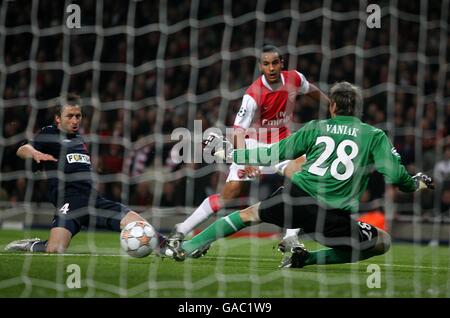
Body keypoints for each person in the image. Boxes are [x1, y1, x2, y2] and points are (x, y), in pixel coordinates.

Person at [169, 82, 434, 268]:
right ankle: (306, 259)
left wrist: (232, 156)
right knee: (382, 243)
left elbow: (274, 152)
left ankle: (188, 245)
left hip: (297, 197)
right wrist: (416, 184)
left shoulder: (315, 127)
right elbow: (395, 175)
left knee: (248, 215)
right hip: (332, 217)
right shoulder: (374, 136)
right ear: (358, 109)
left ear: (332, 108)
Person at [167, 45, 330, 261]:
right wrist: (247, 160)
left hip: (282, 143)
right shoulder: (253, 95)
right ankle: (181, 229)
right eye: (266, 64)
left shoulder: (295, 79)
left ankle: (290, 238)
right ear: (260, 66)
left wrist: (333, 108)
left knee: (303, 178)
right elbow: (238, 131)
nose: (271, 68)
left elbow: (313, 91)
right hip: (252, 144)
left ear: (282, 63)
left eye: (275, 63)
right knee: (229, 195)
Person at [5, 93, 166, 253]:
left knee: (137, 223)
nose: (75, 120)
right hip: (69, 202)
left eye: (78, 116)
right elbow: (22, 149)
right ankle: (32, 245)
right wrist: (34, 153)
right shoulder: (50, 133)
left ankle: (167, 246)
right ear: (58, 118)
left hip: (93, 200)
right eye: (69, 116)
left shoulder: (79, 139)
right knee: (55, 249)